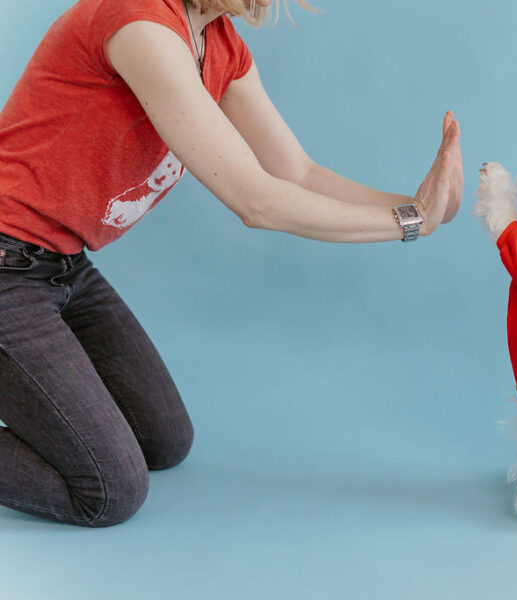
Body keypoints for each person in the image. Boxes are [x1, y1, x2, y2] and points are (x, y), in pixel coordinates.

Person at [0, 0, 463, 527]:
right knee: (110, 490)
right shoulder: (140, 24)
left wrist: (423, 206)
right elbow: (256, 200)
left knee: (164, 439)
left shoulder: (220, 46)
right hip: (6, 264)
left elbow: (299, 173)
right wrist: (412, 223)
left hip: (63, 265)